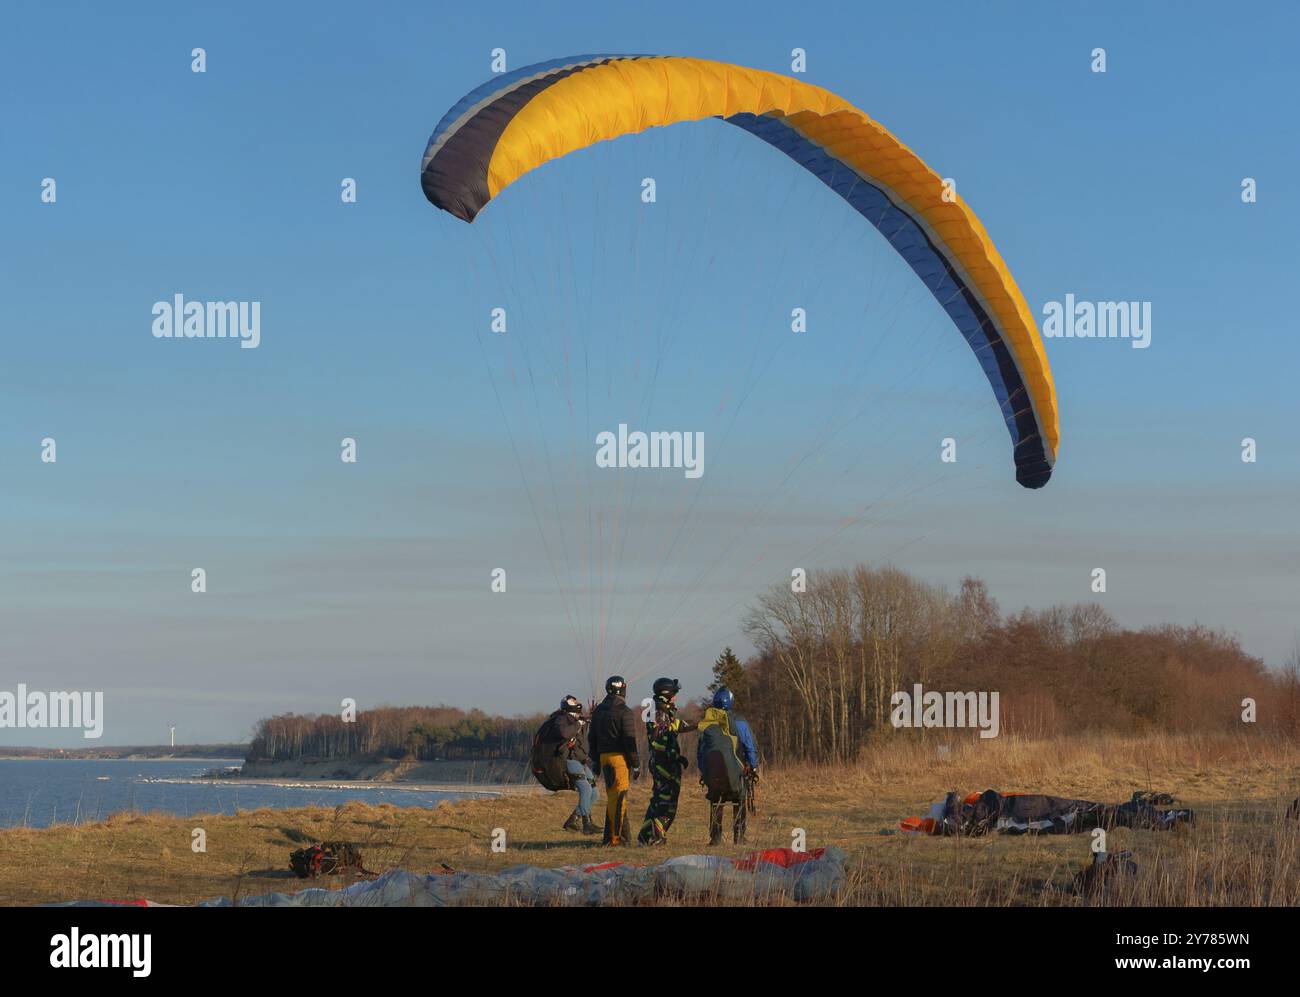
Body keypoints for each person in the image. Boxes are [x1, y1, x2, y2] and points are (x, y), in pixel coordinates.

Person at [696, 686, 760, 846]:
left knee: (716, 800)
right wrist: (753, 766)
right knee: (739, 798)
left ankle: (715, 838)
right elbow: (750, 746)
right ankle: (739, 836)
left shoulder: (707, 724)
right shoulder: (740, 722)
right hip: (736, 774)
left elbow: (700, 752)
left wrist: (705, 772)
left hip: (713, 774)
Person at [637, 678, 696, 845]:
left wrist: (678, 757)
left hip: (662, 762)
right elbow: (661, 739)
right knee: (667, 802)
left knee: (658, 800)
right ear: (667, 695)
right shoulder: (659, 713)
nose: (676, 698)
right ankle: (655, 837)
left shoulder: (661, 710)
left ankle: (645, 836)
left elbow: (674, 729)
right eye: (674, 695)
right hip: (664, 764)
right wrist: (673, 757)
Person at [588, 675, 640, 846]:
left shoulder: (598, 712)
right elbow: (629, 741)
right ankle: (615, 839)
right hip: (619, 760)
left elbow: (592, 738)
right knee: (620, 799)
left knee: (613, 798)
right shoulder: (625, 712)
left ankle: (615, 838)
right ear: (622, 689)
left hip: (604, 758)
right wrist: (636, 763)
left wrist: (595, 761)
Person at [551, 695, 599, 835]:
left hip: (581, 761)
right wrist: (579, 723)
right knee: (585, 789)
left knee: (595, 793)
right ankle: (586, 823)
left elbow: (588, 726)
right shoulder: (562, 719)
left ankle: (572, 820)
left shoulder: (579, 720)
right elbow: (565, 733)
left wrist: (593, 714)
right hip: (570, 760)